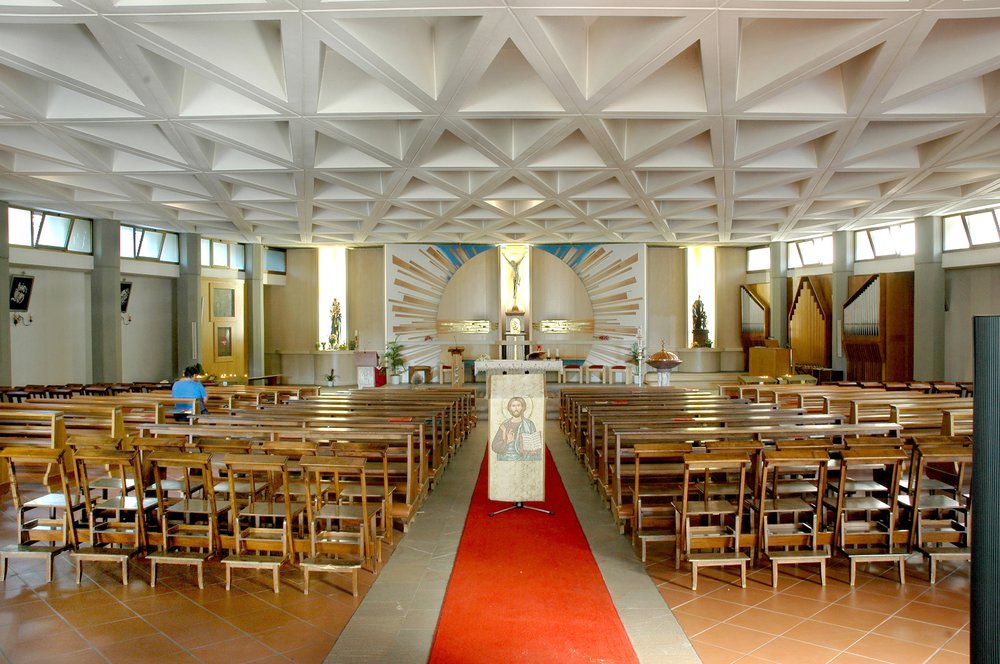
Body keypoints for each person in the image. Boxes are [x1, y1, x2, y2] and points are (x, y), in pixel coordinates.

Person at [491, 396, 542, 461]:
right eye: (513, 406)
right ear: (509, 408)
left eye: (518, 405)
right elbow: (494, 446)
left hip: (524, 458)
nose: (516, 408)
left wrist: (533, 450)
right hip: (505, 458)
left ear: (522, 407)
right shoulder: (504, 425)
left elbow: (535, 446)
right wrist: (507, 441)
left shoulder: (529, 424)